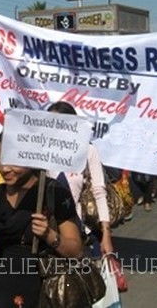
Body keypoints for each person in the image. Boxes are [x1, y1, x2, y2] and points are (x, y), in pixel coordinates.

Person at [0, 134, 83, 307]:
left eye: (13, 160)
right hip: (2, 286)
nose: (5, 168)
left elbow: (77, 251)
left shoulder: (55, 194)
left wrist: (50, 235)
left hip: (44, 289)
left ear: (31, 157)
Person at [46, 101, 114, 256]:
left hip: (83, 231)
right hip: (51, 232)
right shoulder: (41, 154)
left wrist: (106, 235)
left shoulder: (88, 151)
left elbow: (99, 192)